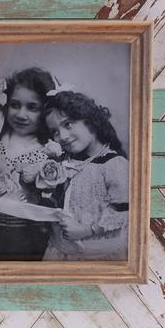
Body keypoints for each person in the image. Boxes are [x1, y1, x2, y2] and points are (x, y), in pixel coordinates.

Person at [0, 67, 55, 261]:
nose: (21, 114)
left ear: (45, 111)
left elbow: (40, 203)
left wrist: (5, 171)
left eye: (32, 107)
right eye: (15, 105)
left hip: (26, 237)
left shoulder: (48, 150)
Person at [43, 91, 129, 261]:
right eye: (55, 132)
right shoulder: (61, 161)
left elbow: (123, 212)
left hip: (98, 255)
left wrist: (86, 230)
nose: (62, 136)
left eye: (68, 124)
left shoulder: (113, 165)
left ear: (90, 120)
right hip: (60, 251)